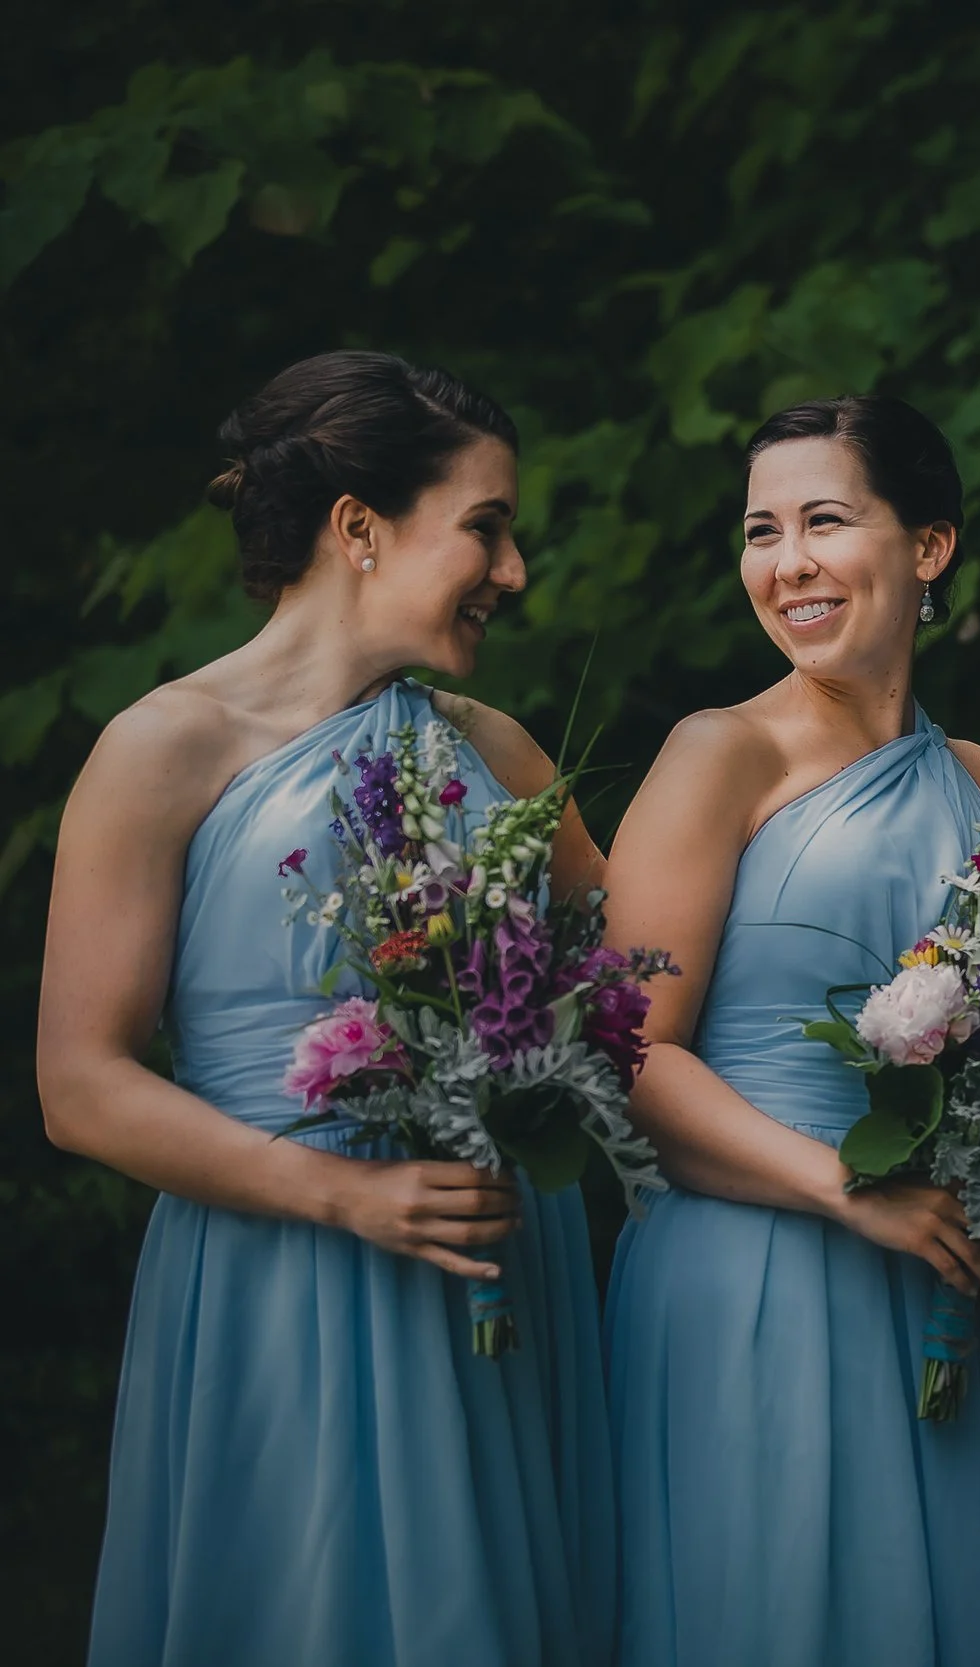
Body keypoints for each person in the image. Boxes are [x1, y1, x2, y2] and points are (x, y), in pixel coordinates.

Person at [38, 351, 615, 1666]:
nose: (514, 570)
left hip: (491, 1271)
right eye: (487, 526)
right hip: (279, 1268)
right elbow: (80, 1083)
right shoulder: (160, 748)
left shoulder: (500, 749)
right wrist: (342, 1192)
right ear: (359, 526)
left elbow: (637, 994)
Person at [599, 396, 980, 1666]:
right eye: (762, 531)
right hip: (765, 1263)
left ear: (928, 545)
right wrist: (852, 1193)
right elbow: (627, 1049)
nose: (788, 562)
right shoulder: (719, 754)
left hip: (963, 1280)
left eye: (827, 520)